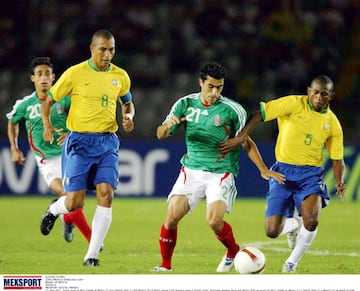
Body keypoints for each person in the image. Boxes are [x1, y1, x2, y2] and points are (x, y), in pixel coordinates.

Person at [153, 62, 285, 272]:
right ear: (201, 83)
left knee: (214, 220)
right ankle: (165, 266)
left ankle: (233, 251)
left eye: (219, 87)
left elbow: (246, 141)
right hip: (191, 171)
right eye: (211, 86)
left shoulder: (232, 110)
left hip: (221, 172)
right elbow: (160, 134)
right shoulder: (185, 104)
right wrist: (168, 127)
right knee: (171, 217)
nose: (215, 92)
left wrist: (263, 169)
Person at [218, 75, 346, 273]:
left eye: (324, 94)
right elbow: (259, 114)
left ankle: (291, 263)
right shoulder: (292, 104)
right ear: (309, 90)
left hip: (310, 175)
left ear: (331, 96)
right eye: (316, 92)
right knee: (271, 231)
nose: (319, 96)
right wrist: (241, 136)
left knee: (311, 220)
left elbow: (337, 158)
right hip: (283, 172)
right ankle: (294, 225)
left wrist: (339, 181)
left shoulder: (333, 124)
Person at [40, 29, 135, 267]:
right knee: (75, 203)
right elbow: (49, 100)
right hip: (80, 143)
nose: (108, 54)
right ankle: (54, 210)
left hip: (107, 143)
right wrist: (47, 125)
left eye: (111, 49)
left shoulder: (120, 76)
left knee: (107, 193)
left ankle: (91, 256)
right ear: (92, 49)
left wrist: (129, 116)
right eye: (103, 49)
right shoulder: (74, 73)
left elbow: (128, 103)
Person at [6, 57, 92, 244]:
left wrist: (70, 132)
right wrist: (14, 148)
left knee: (75, 200)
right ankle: (94, 242)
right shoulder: (25, 104)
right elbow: (12, 122)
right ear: (32, 78)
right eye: (39, 74)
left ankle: (64, 217)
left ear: (54, 77)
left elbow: (82, 118)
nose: (43, 78)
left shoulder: (64, 100)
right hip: (47, 160)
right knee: (69, 196)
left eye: (47, 74)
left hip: (69, 155)